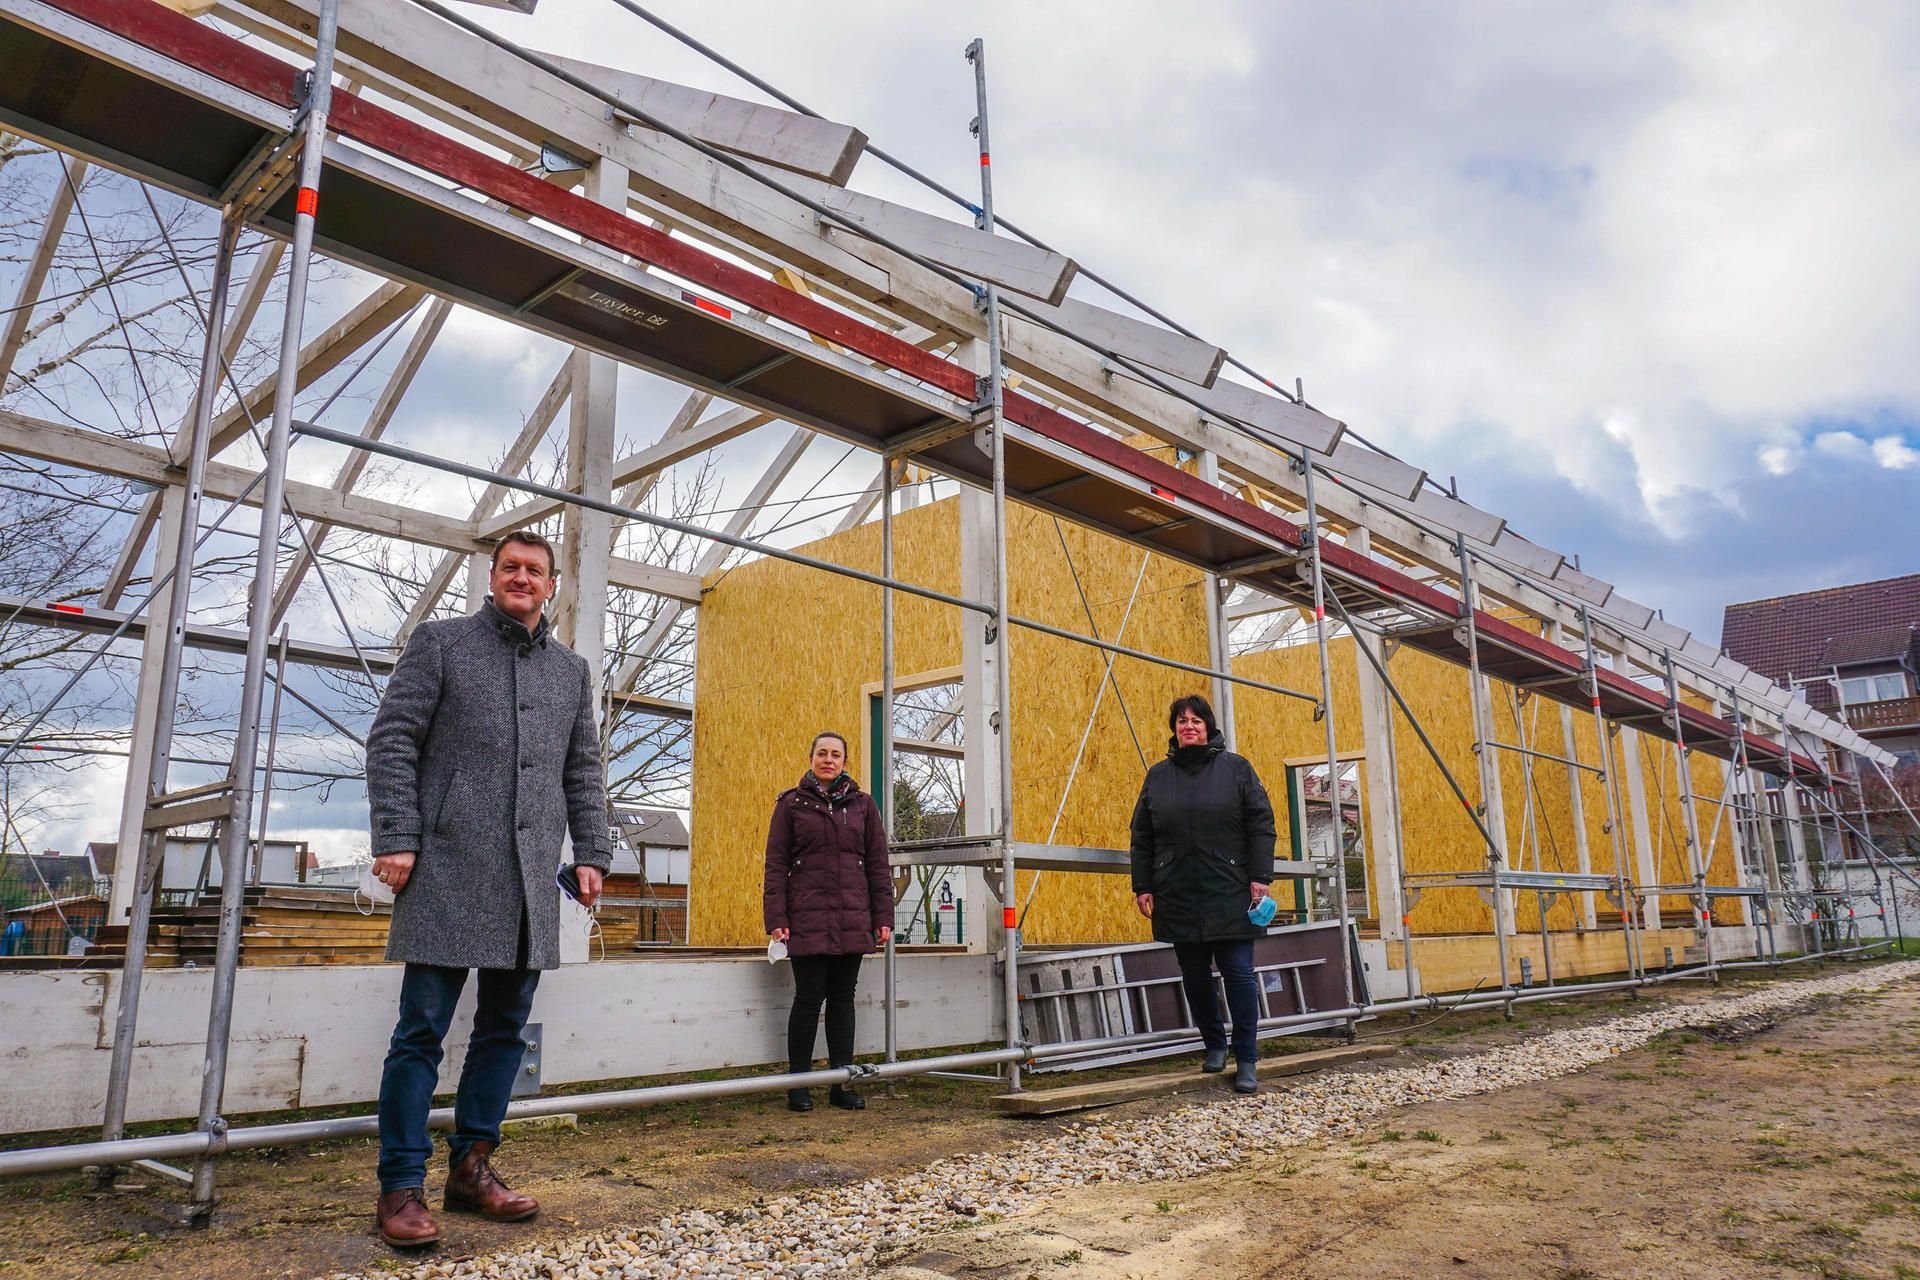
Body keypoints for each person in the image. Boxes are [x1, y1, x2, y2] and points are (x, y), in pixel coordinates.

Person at [365, 529, 613, 1249]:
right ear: (492, 575)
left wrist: (592, 851)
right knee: (421, 1033)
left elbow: (582, 771)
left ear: (552, 584)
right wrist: (397, 835)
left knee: (504, 1030)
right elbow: (392, 740)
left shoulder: (571, 671)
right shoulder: (440, 644)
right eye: (511, 567)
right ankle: (400, 1185)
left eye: (535, 570)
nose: (522, 578)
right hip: (444, 866)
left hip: (530, 878)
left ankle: (473, 1168)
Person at [1128, 694, 1276, 1094]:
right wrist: (1143, 884)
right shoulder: (1158, 776)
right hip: (1176, 890)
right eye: (1181, 721)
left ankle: (1246, 1057)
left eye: (1196, 720)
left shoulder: (1236, 769)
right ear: (1174, 728)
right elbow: (1142, 836)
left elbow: (1261, 823)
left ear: (1209, 726)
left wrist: (1261, 876)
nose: (1188, 726)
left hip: (1229, 889)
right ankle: (1213, 1045)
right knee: (1194, 976)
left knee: (1239, 975)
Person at [763, 730, 894, 1113]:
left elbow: (877, 865)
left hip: (854, 918)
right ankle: (799, 1084)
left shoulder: (864, 806)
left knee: (843, 999)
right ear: (811, 758)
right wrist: (777, 918)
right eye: (822, 753)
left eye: (835, 754)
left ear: (844, 762)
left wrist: (882, 916)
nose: (828, 759)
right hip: (805, 918)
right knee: (807, 999)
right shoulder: (791, 805)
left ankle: (842, 1082)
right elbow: (776, 866)